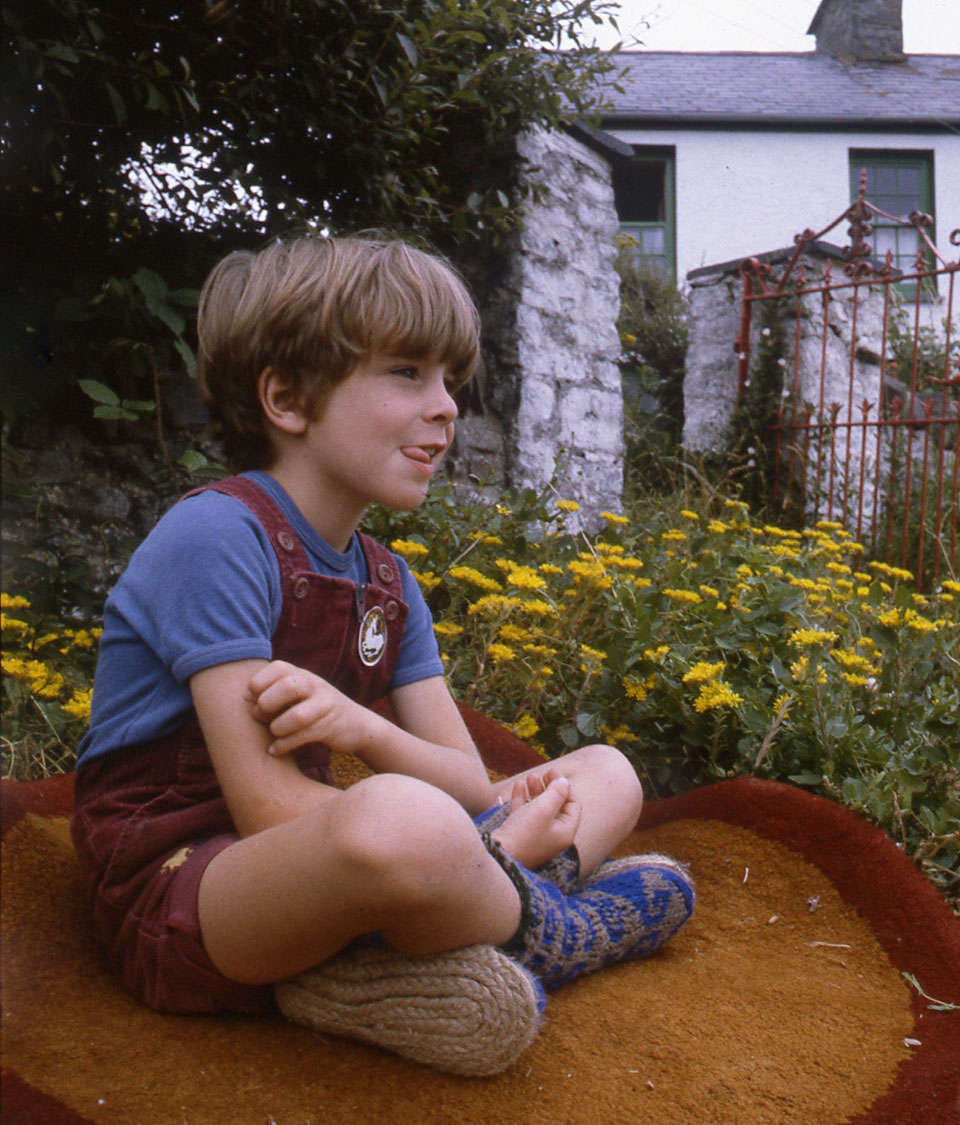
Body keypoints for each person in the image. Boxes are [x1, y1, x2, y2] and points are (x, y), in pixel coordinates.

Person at [70, 234, 693, 1077]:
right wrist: (486, 842)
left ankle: (382, 963)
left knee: (606, 770)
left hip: (326, 863)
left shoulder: (387, 582)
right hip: (190, 889)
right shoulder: (216, 536)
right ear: (287, 398)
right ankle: (554, 925)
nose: (446, 407)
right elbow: (264, 809)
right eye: (407, 372)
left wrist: (364, 727)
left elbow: (468, 782)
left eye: (450, 381)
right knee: (402, 822)